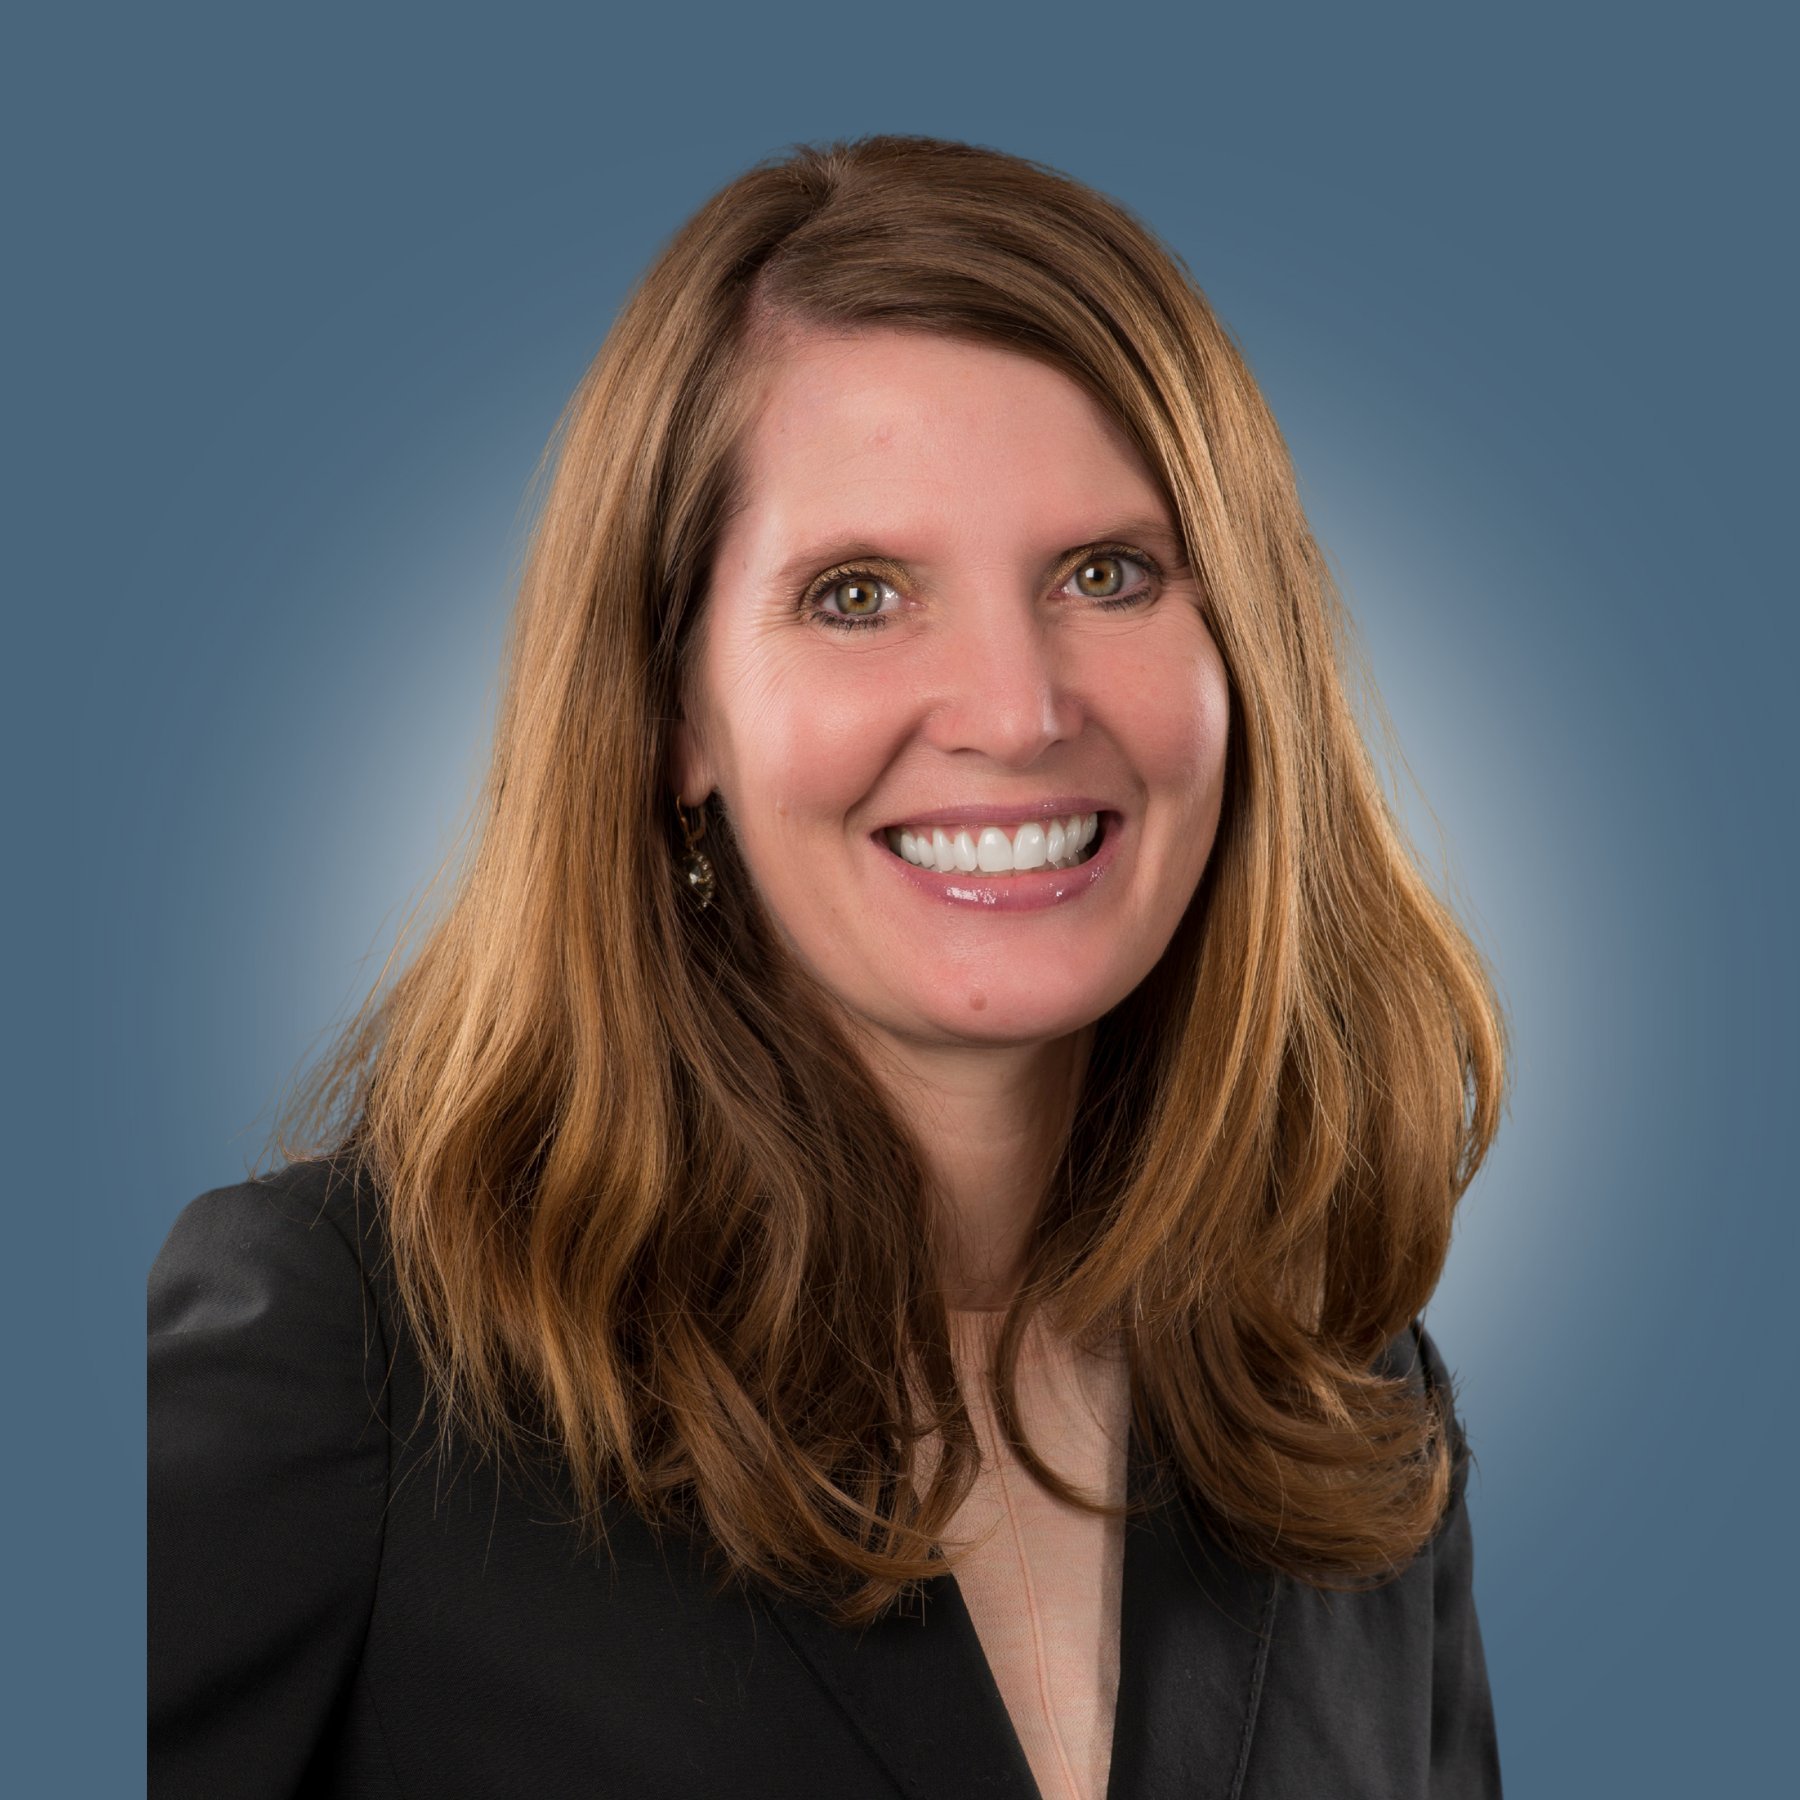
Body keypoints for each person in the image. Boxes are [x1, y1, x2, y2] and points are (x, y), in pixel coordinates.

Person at [148, 133, 1508, 1798]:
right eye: (859, 594)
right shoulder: (346, 1362)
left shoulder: (1345, 1401)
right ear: (670, 715)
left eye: (1109, 575)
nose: (1017, 711)